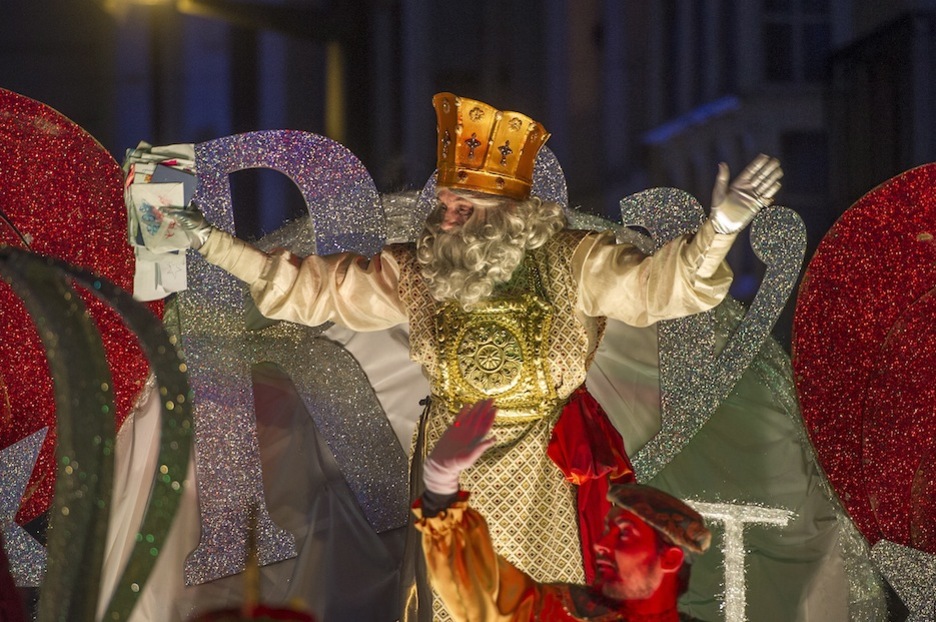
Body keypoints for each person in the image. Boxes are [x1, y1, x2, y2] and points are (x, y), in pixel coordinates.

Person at [153, 93, 779, 618]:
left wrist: (718, 231)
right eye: (445, 202)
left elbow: (657, 288)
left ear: (509, 214)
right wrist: (206, 240)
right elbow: (309, 288)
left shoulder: (574, 261)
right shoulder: (419, 271)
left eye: (463, 206)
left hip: (543, 481)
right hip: (449, 474)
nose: (445, 217)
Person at [415, 399, 711, 622]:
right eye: (607, 530)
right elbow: (482, 592)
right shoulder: (568, 608)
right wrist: (440, 486)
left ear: (669, 559)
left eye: (624, 536)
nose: (601, 545)